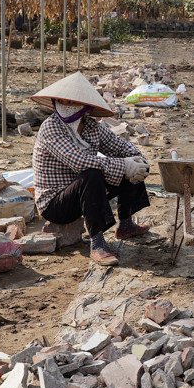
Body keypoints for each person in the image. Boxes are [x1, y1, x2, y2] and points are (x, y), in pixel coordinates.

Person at [31, 72, 151, 266]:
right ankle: (97, 243)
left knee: (131, 165)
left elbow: (119, 145)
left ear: (84, 107)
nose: (65, 106)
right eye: (61, 101)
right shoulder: (50, 128)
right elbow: (79, 161)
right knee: (93, 173)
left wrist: (138, 159)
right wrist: (124, 166)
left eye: (71, 102)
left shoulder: (92, 127)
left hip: (85, 194)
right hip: (55, 202)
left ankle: (126, 224)